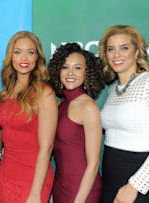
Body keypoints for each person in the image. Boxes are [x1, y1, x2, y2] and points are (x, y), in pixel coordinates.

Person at [99, 25, 149, 203]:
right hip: (111, 175)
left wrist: (133, 186)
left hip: (139, 179)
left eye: (124, 48)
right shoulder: (113, 90)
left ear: (137, 52)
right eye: (111, 49)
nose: (116, 54)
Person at [0, 31, 58, 203]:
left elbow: (47, 148)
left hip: (33, 178)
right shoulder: (6, 92)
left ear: (37, 57)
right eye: (18, 52)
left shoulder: (44, 93)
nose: (24, 58)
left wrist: (36, 194)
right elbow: (0, 126)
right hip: (6, 174)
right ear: (11, 56)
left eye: (30, 52)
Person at [48, 43, 104, 203]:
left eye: (77, 68)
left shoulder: (88, 107)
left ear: (87, 73)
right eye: (65, 67)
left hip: (83, 190)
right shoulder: (59, 105)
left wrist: (79, 201)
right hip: (60, 186)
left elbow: (93, 164)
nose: (70, 73)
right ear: (58, 71)